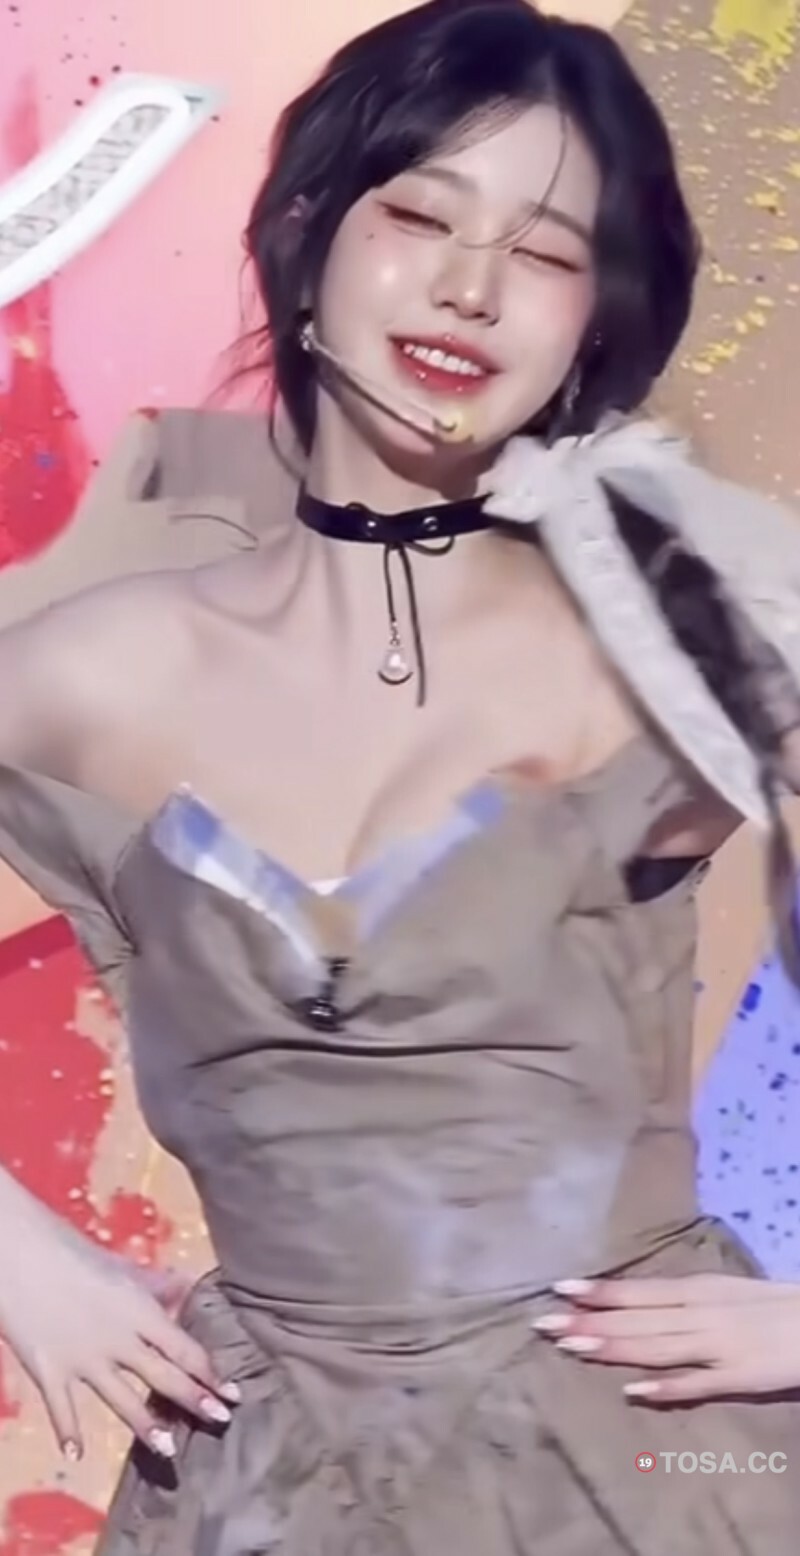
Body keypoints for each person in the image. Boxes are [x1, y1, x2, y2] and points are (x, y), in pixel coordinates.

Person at [2, 0, 800, 1549]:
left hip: (656, 1477)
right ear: (307, 231)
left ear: (601, 318)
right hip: (256, 1478)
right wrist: (17, 1258)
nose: (469, 288)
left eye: (547, 253)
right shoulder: (96, 670)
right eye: (421, 215)